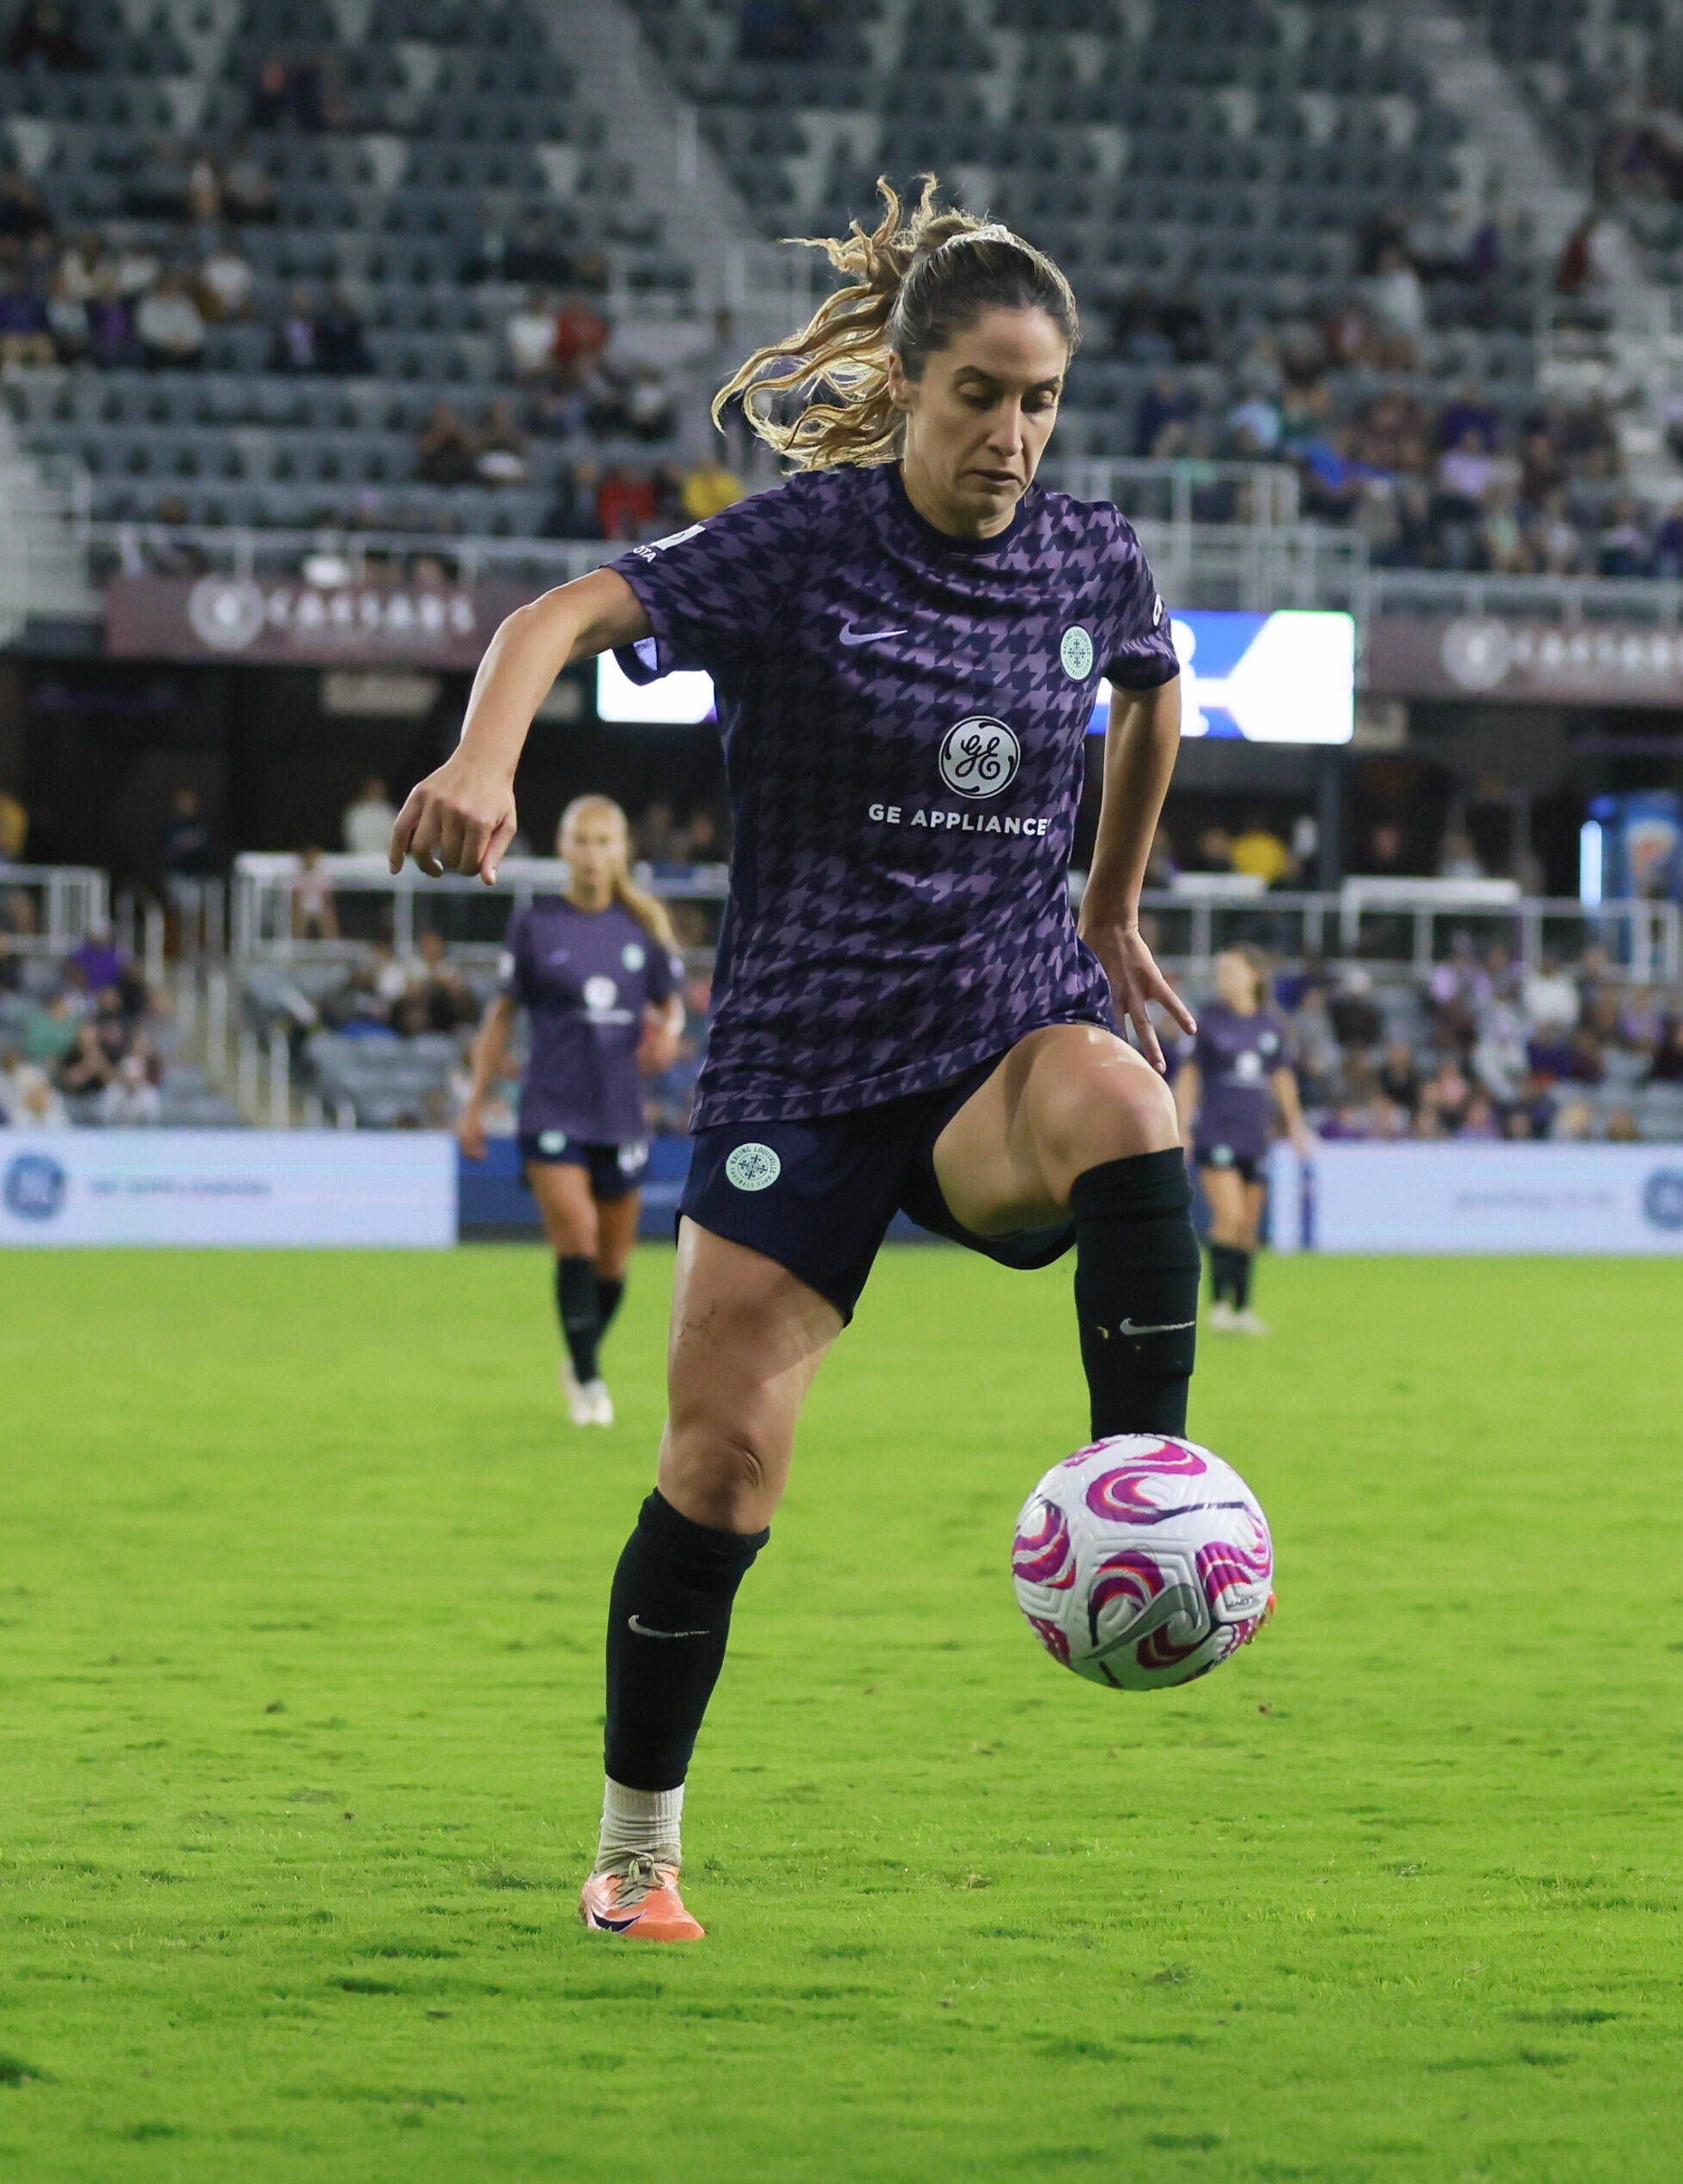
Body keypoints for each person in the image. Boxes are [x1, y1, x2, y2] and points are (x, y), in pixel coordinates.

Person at [389, 179, 1195, 1945]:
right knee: (721, 1468)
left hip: (997, 1033)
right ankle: (634, 1844)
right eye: (978, 391)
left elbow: (1153, 687)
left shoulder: (1089, 550)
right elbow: (557, 617)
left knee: (1128, 1103)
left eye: (1039, 397)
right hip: (806, 1060)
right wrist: (485, 757)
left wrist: (1114, 907)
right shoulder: (803, 544)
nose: (1010, 430)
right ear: (908, 382)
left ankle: (1147, 1501)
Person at [459, 797, 685, 1426]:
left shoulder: (643, 928)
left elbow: (673, 1008)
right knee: (578, 1238)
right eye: (581, 841)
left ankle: (578, 1354)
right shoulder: (536, 924)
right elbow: (501, 1016)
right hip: (551, 1107)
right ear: (564, 848)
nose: (593, 854)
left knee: (614, 1266)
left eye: (604, 841)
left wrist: (668, 1033)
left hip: (619, 1113)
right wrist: (475, 1105)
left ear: (623, 850)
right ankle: (589, 1382)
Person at [1172, 948, 1311, 1336]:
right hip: (1217, 1131)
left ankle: (1243, 1308)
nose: (1224, 979)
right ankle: (1218, 1306)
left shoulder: (1270, 1025)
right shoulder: (1209, 1022)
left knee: (1249, 1227)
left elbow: (1282, 1078)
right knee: (1228, 1218)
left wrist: (1296, 1126)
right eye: (1221, 972)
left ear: (1254, 975)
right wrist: (1182, 1124)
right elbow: (1189, 1076)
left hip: (1255, 1134)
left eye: (1231, 971)